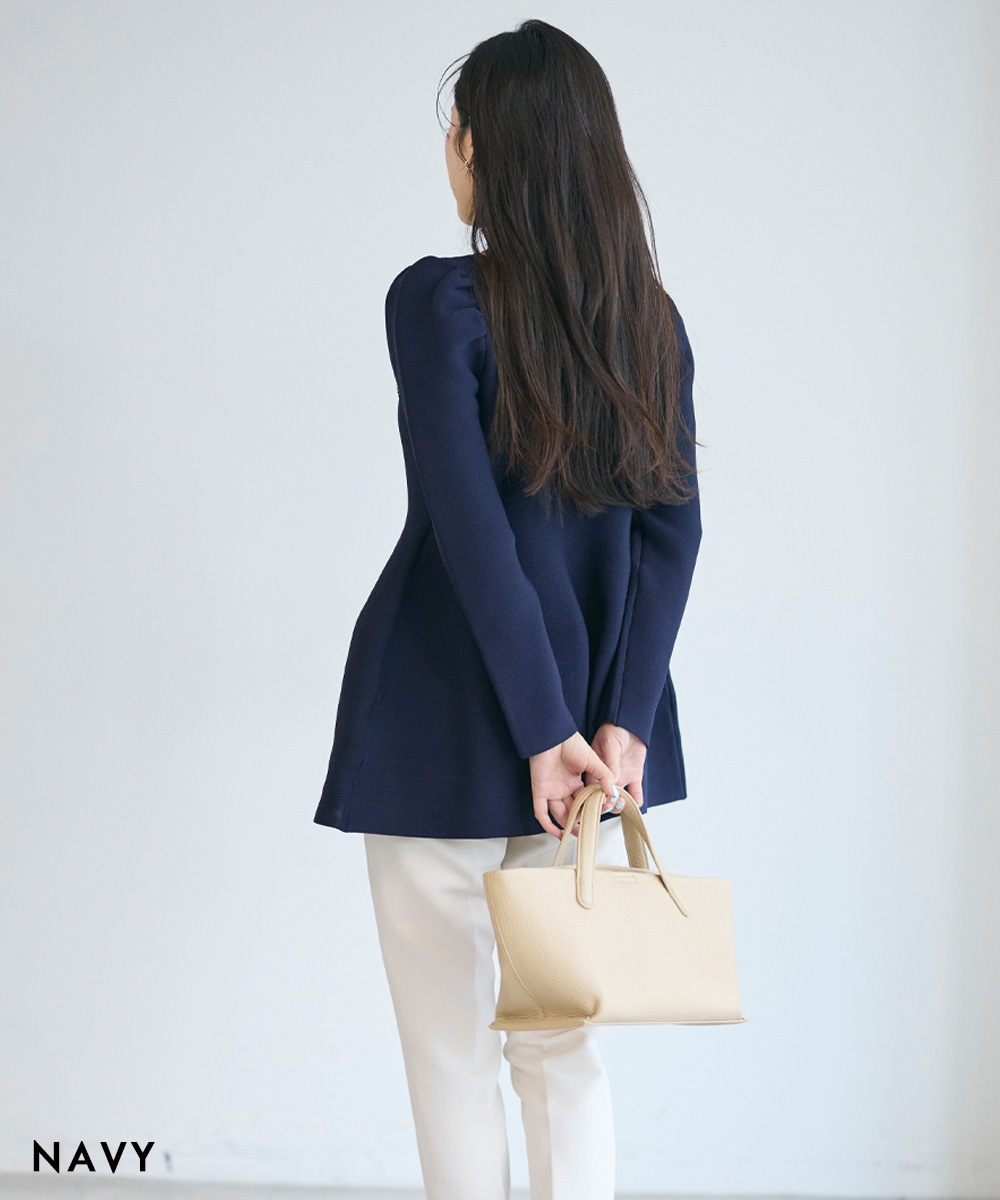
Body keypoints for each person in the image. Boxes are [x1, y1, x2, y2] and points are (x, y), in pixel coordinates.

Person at [313, 18, 703, 1200]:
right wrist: (617, 726)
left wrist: (543, 731)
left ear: (481, 147)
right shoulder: (648, 318)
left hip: (441, 717)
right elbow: (671, 534)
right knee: (562, 1047)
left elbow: (469, 529)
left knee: (451, 1058)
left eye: (457, 129)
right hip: (587, 738)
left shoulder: (436, 305)